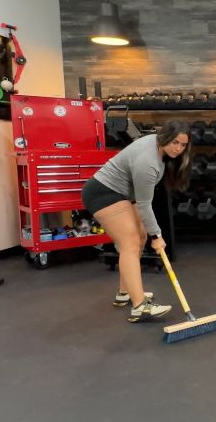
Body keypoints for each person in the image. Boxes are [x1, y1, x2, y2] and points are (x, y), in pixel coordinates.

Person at [82, 121, 192, 322]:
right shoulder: (148, 162)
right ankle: (139, 306)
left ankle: (125, 293)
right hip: (102, 193)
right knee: (130, 242)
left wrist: (150, 235)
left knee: (139, 238)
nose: (178, 149)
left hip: (121, 193)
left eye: (183, 145)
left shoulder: (158, 150)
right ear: (165, 136)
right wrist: (157, 236)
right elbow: (144, 205)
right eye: (175, 142)